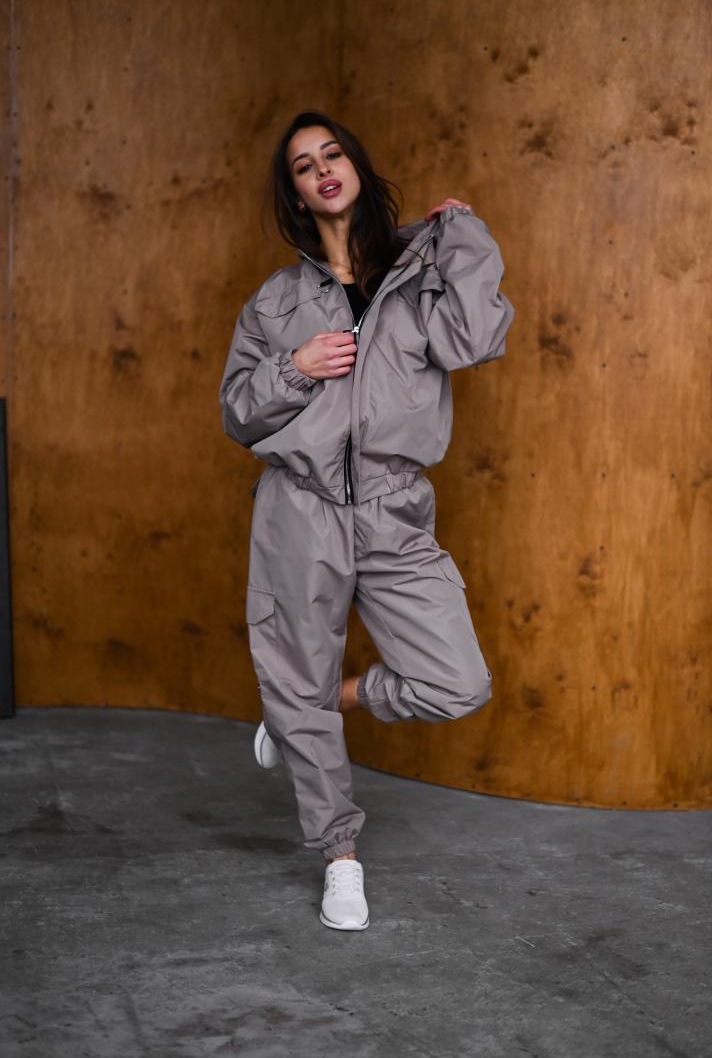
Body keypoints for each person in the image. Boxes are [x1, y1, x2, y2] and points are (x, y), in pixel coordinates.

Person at [219, 109, 515, 931]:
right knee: (294, 671)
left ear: (355, 167)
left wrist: (463, 235)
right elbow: (237, 412)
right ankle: (339, 857)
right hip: (299, 510)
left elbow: (478, 337)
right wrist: (295, 366)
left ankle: (318, 703)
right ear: (297, 194)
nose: (323, 169)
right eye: (304, 165)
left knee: (458, 682)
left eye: (333, 154)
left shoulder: (419, 276)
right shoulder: (277, 301)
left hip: (393, 509)